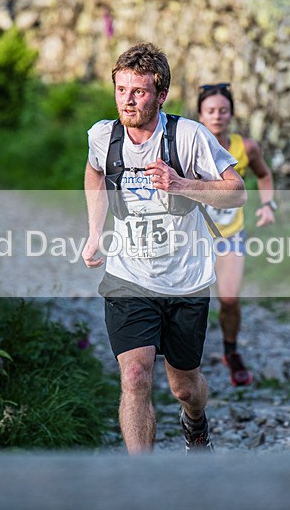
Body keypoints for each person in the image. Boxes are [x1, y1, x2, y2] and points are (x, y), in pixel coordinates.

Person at [82, 43, 246, 454]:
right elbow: (94, 172)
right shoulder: (104, 136)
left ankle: (195, 423)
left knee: (184, 387)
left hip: (185, 279)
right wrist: (94, 231)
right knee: (135, 376)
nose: (127, 100)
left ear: (160, 94)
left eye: (137, 92)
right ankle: (144, 482)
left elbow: (236, 192)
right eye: (121, 90)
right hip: (128, 276)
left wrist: (181, 184)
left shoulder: (189, 136)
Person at [198, 83, 277, 387]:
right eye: (210, 111)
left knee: (229, 299)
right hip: (194, 237)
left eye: (223, 111)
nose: (217, 116)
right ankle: (177, 356)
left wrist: (268, 205)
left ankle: (231, 352)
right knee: (189, 301)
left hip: (231, 234)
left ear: (231, 114)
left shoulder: (247, 148)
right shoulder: (189, 145)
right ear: (201, 115)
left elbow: (264, 174)